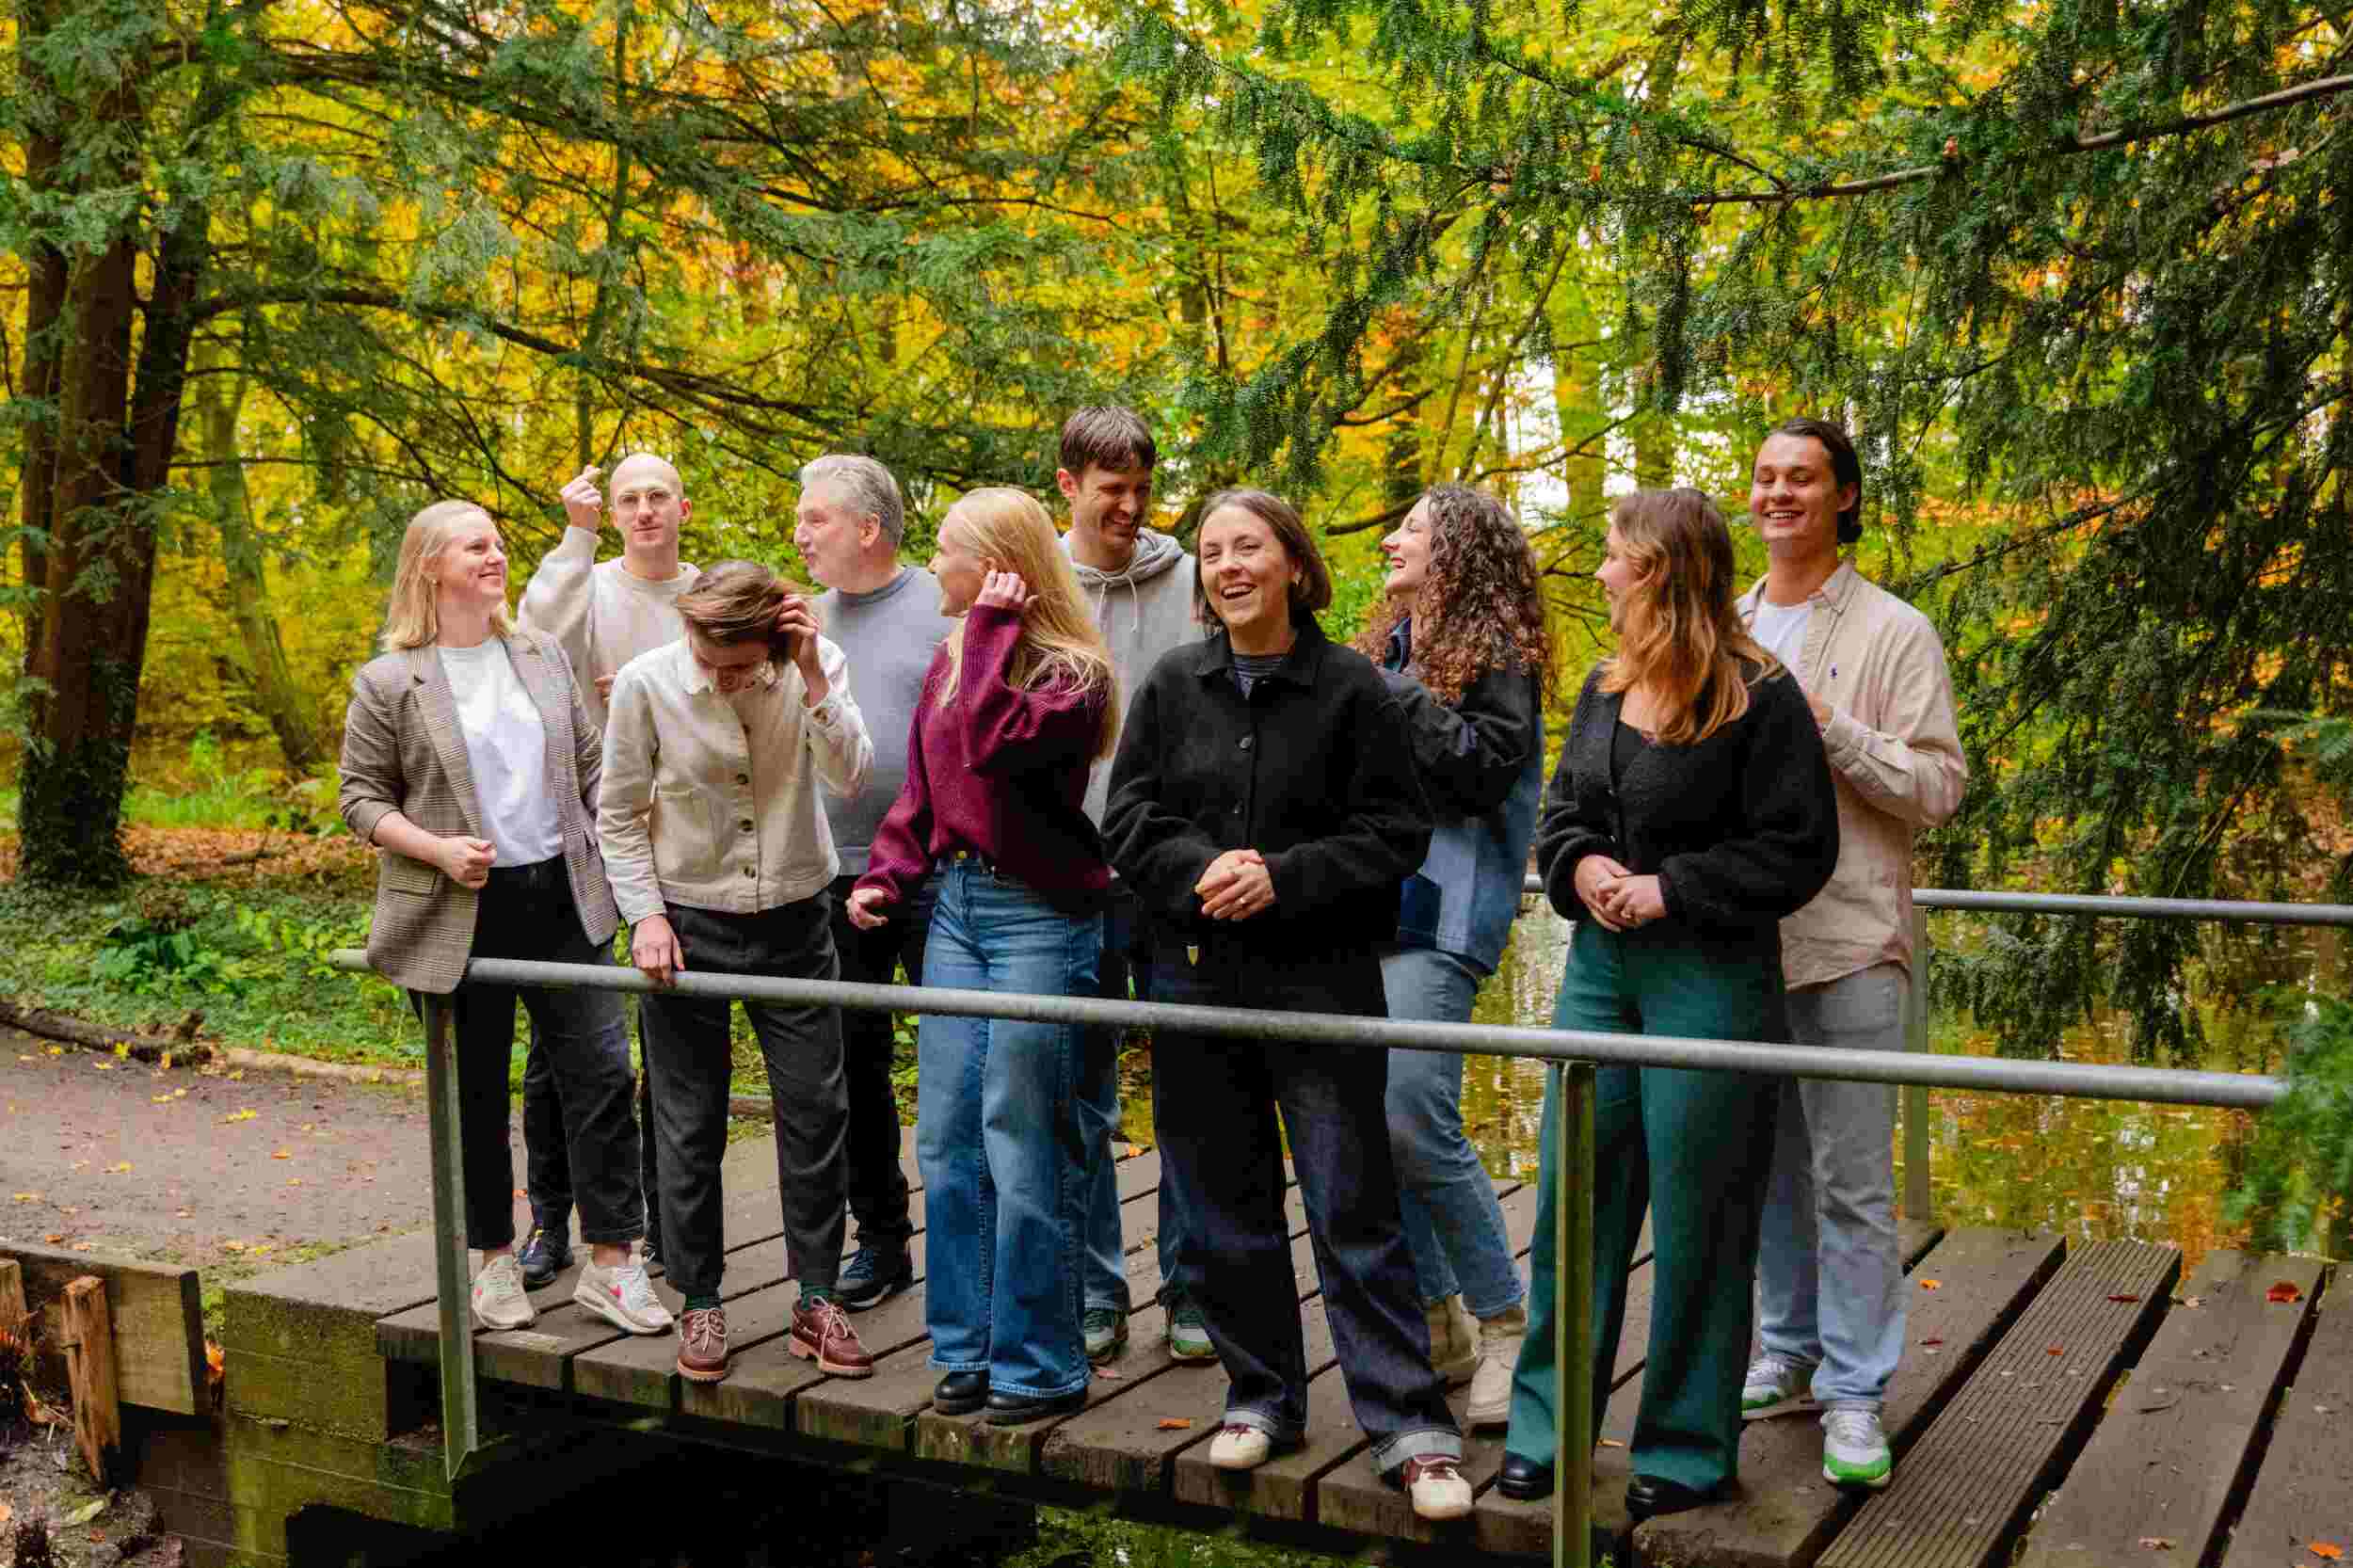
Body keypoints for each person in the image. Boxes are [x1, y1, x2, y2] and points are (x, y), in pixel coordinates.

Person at [1103, 488, 1471, 1523]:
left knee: (1352, 1204)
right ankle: (1261, 1394)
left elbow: (1396, 833)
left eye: (1248, 547)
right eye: (1213, 551)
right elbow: (1128, 819)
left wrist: (1285, 876)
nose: (1227, 565)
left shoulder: (1354, 687)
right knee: (1223, 1206)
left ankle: (1409, 1425)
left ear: (1293, 565)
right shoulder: (1172, 684)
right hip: (1196, 980)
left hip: (1320, 982)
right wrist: (1205, 868)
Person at [1498, 488, 1839, 1523]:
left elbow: (1799, 850)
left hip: (1710, 975)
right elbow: (1561, 811)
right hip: (1600, 974)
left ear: (1656, 571)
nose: (1601, 573)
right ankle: (1547, 1430)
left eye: (1613, 556)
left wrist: (1672, 888)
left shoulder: (1759, 697)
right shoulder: (1606, 686)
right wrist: (1583, 865)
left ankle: (1688, 1448)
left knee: (1701, 1216)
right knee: (1575, 1198)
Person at [339, 500, 665, 1339]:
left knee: (601, 1078)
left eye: (497, 543)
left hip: (564, 896)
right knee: (474, 1096)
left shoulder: (540, 653)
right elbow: (361, 799)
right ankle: (491, 1260)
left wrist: (634, 844)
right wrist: (437, 850)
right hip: (456, 909)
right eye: (475, 546)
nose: (495, 555)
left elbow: (591, 768)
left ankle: (613, 1263)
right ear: (429, 566)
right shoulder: (390, 681)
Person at [846, 488, 1117, 1426]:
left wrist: (995, 627)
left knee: (1022, 1131)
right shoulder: (953, 656)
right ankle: (964, 1348)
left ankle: (1040, 1362)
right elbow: (926, 788)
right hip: (957, 907)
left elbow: (995, 749)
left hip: (1040, 915)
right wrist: (889, 874)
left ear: (999, 568)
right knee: (950, 1135)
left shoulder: (1074, 674)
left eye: (948, 549)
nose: (933, 563)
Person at [1737, 418, 1968, 1491]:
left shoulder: (1895, 630)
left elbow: (1936, 788)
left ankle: (1857, 1391)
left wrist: (1827, 722)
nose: (1778, 493)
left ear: (1844, 498)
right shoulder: (1726, 624)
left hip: (1851, 940)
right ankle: (1786, 1347)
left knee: (1854, 1186)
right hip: (1739, 944)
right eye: (1765, 477)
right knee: (1767, 1170)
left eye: (1802, 478)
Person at [598, 560, 875, 1385]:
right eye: (710, 662)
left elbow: (851, 775)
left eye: (741, 666)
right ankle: (700, 1298)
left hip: (797, 919)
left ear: (775, 640)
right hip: (687, 922)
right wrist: (646, 916)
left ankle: (817, 1296)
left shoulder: (814, 666)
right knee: (688, 1121)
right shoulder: (645, 684)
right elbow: (618, 813)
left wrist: (814, 678)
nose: (723, 679)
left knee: (817, 1111)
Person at [1353, 484, 1551, 1428]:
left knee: (1411, 1111)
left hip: (1445, 913)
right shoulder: (1391, 646)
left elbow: (1481, 771)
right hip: (1369, 914)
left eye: (1413, 529)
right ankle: (1439, 1323)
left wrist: (1389, 696)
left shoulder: (1498, 654)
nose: (1392, 541)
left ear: (1459, 552)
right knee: (1374, 1119)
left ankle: (1506, 1321)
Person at [512, 456, 701, 1286]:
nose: (645, 509)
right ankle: (550, 1219)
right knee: (561, 1046)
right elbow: (538, 642)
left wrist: (650, 687)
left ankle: (659, 1219)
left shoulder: (706, 594)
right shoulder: (586, 585)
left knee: (672, 1041)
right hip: (590, 835)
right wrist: (575, 536)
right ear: (614, 513)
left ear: (683, 508)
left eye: (658, 496)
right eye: (630, 499)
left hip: (684, 840)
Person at [1053, 406, 1207, 1366]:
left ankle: (1191, 1291)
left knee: (1193, 1090)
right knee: (1080, 1094)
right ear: (1068, 484)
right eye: (1112, 489)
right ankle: (1093, 1291)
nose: (1131, 506)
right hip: (1069, 873)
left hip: (1175, 874)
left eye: (1143, 488)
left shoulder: (1192, 580)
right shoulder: (1035, 579)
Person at [794, 454, 954, 1311]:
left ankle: (967, 1246)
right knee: (852, 1067)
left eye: (814, 517)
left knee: (956, 1064)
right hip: (833, 875)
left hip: (935, 873)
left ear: (866, 527)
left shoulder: (941, 604)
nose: (799, 533)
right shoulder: (804, 620)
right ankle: (881, 1241)